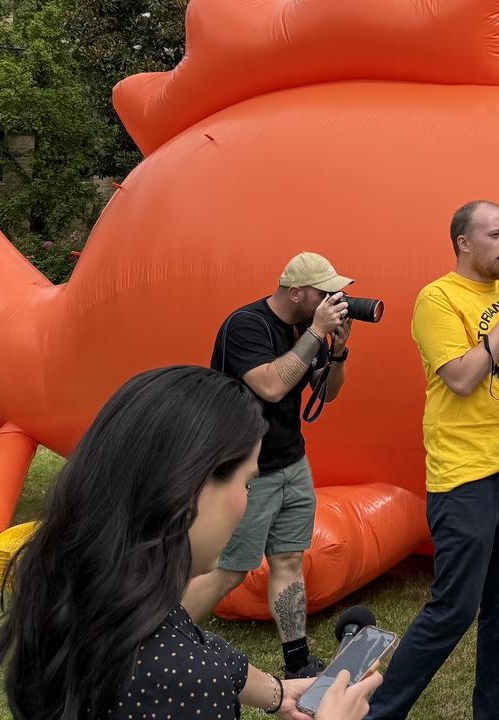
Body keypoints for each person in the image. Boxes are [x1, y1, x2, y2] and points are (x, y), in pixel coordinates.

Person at [0, 366, 382, 719]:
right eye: (246, 483)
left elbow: (193, 637)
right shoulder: (185, 687)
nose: (248, 503)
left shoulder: (81, 588)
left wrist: (279, 693)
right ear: (187, 490)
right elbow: (190, 661)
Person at [365, 200, 499, 720]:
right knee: (454, 608)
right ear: (463, 242)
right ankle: (379, 713)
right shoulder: (437, 299)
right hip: (464, 473)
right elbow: (460, 378)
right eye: (495, 234)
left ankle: (496, 712)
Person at [183, 252, 353, 678]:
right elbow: (272, 386)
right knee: (230, 570)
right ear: (296, 292)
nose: (333, 299)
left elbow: (327, 394)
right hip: (243, 469)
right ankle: (156, 643)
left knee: (290, 559)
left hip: (290, 460)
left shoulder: (304, 329)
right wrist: (316, 332)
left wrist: (339, 350)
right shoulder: (246, 325)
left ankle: (296, 661)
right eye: (323, 292)